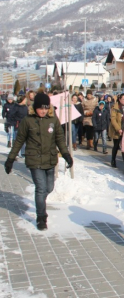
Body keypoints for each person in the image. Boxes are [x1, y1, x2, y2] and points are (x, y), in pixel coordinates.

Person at [4, 93, 73, 231]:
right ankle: (41, 217)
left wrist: (66, 154)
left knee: (49, 188)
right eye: (40, 108)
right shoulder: (27, 121)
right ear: (35, 108)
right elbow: (19, 141)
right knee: (41, 189)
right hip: (34, 160)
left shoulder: (53, 119)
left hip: (50, 159)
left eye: (46, 108)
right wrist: (10, 159)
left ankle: (40, 202)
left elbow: (59, 138)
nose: (43, 111)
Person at [110, 93, 124, 170]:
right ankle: (113, 160)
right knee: (116, 145)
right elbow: (113, 120)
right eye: (123, 99)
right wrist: (118, 129)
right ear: (119, 99)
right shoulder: (115, 107)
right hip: (117, 130)